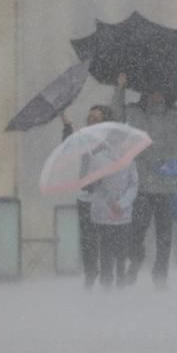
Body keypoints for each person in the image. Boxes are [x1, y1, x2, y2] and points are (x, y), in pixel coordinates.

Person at [111, 72, 177, 288]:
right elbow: (115, 116)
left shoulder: (175, 115)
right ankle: (135, 261)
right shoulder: (133, 112)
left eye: (160, 91)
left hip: (166, 184)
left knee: (164, 235)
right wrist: (120, 88)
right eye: (152, 91)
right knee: (137, 230)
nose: (156, 95)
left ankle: (160, 275)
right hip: (140, 183)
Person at [78, 120, 139, 290]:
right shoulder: (97, 159)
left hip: (123, 214)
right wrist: (107, 198)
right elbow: (91, 185)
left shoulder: (129, 160)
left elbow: (133, 184)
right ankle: (106, 284)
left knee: (121, 252)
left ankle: (120, 282)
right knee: (105, 250)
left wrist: (123, 203)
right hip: (103, 214)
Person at [60, 105, 113, 289]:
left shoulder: (111, 141)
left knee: (106, 240)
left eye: (96, 119)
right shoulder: (83, 138)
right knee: (88, 240)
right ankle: (90, 273)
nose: (92, 121)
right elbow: (68, 146)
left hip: (105, 198)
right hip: (85, 197)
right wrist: (67, 125)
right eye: (90, 118)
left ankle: (107, 277)